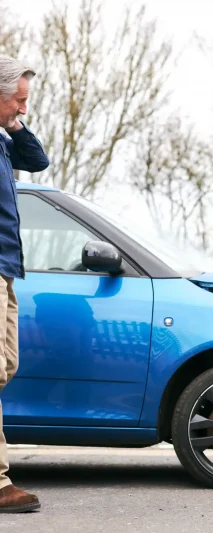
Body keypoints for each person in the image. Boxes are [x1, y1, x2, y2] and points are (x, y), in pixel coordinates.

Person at [0, 54, 49, 513]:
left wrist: (13, 124)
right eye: (19, 100)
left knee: (5, 365)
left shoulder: (3, 139)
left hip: (6, 268)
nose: (25, 108)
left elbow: (39, 160)